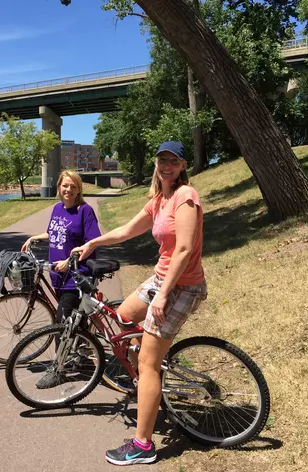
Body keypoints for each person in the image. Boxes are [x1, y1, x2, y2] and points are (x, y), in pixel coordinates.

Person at [72, 141, 207, 466]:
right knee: (122, 315)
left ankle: (143, 445)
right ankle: (145, 370)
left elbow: (185, 249)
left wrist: (162, 295)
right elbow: (126, 230)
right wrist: (93, 242)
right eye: (162, 160)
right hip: (161, 280)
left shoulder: (185, 197)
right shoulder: (160, 199)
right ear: (156, 164)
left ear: (183, 165)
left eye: (173, 161)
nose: (166, 166)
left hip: (182, 287)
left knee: (148, 364)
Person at [21, 170, 101, 388]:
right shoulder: (57, 209)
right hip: (58, 275)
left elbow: (92, 243)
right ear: (59, 187)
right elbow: (54, 233)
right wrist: (34, 238)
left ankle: (58, 369)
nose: (68, 190)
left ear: (79, 189)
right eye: (65, 186)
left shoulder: (85, 211)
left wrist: (70, 258)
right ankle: (82, 353)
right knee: (75, 319)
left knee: (61, 322)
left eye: (73, 186)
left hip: (76, 276)